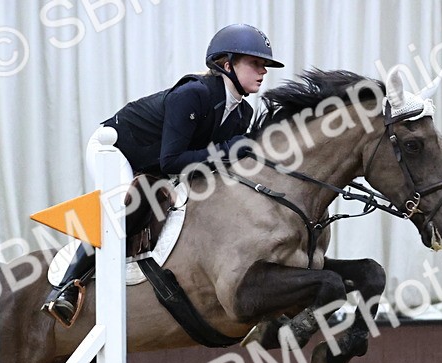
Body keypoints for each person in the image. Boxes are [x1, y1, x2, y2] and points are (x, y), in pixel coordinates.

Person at [42, 23, 284, 326]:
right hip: (116, 148)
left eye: (264, 65)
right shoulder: (193, 94)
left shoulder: (242, 113)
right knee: (124, 207)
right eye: (255, 63)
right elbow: (173, 161)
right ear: (227, 65)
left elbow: (211, 166)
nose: (263, 71)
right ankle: (65, 287)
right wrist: (228, 149)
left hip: (156, 163)